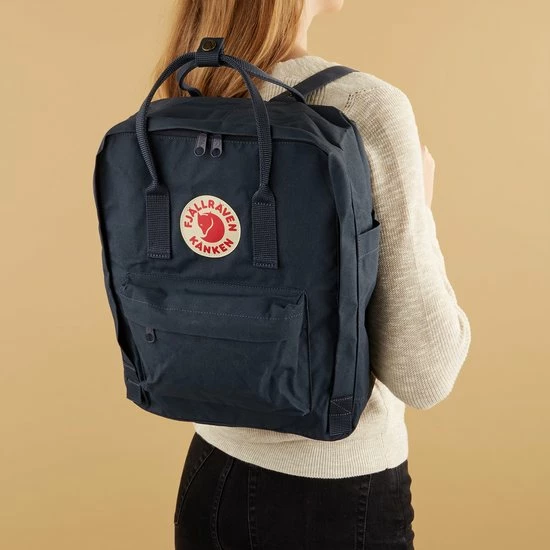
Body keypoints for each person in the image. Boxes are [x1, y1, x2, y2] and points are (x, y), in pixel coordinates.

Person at [152, 1, 472, 548]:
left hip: (209, 477)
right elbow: (425, 375)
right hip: (335, 497)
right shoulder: (362, 105)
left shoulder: (189, 92)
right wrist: (420, 210)